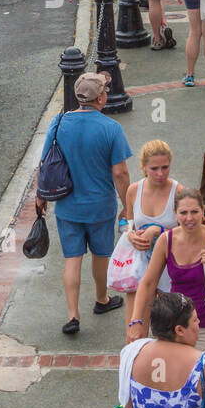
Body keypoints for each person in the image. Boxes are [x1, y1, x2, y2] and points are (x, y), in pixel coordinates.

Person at [98, 141, 182, 408]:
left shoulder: (177, 192)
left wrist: (160, 230)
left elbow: (189, 228)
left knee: (169, 339)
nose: (160, 173)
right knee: (133, 339)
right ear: (143, 167)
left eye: (165, 167)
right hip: (139, 275)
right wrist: (132, 235)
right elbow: (129, 225)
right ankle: (129, 403)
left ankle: (166, 399)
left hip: (169, 276)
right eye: (154, 168)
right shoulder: (134, 190)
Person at [39, 72, 131, 336]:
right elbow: (120, 173)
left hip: (68, 205)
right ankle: (102, 299)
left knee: (72, 258)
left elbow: (45, 162)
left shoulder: (58, 123)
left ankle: (72, 314)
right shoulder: (111, 128)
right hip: (100, 205)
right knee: (102, 254)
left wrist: (40, 196)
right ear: (101, 97)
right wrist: (127, 204)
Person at [130, 189, 205, 360]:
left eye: (194, 212)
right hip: (172, 325)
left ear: (203, 211)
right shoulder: (166, 240)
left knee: (197, 376)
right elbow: (148, 283)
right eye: (183, 213)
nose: (189, 218)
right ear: (175, 214)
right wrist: (136, 321)